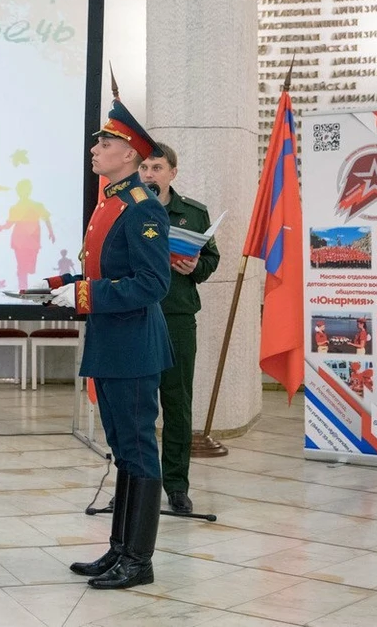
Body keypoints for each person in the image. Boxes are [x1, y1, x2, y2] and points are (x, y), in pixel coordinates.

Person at [46, 95, 173, 590]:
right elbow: (105, 272)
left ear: (130, 154)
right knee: (123, 450)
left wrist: (83, 292)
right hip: (112, 341)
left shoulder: (142, 209)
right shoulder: (111, 203)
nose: (95, 147)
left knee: (139, 451)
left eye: (106, 141)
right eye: (99, 140)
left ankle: (139, 561)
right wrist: (64, 284)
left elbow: (152, 283)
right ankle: (119, 549)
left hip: (134, 346)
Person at [138, 142, 220, 515]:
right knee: (136, 405)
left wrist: (195, 268)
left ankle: (176, 485)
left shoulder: (193, 213)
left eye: (156, 167)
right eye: (144, 168)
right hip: (136, 315)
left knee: (177, 402)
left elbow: (211, 258)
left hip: (176, 317)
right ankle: (135, 484)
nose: (149, 174)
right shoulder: (128, 208)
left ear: (173, 172)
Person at [0, 178, 56, 290]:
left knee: (29, 267)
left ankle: (28, 288)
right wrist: (2, 227)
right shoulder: (15, 207)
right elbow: (10, 223)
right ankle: (23, 289)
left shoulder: (37, 205)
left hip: (33, 240)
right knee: (21, 267)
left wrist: (51, 232)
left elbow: (46, 218)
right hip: (19, 240)